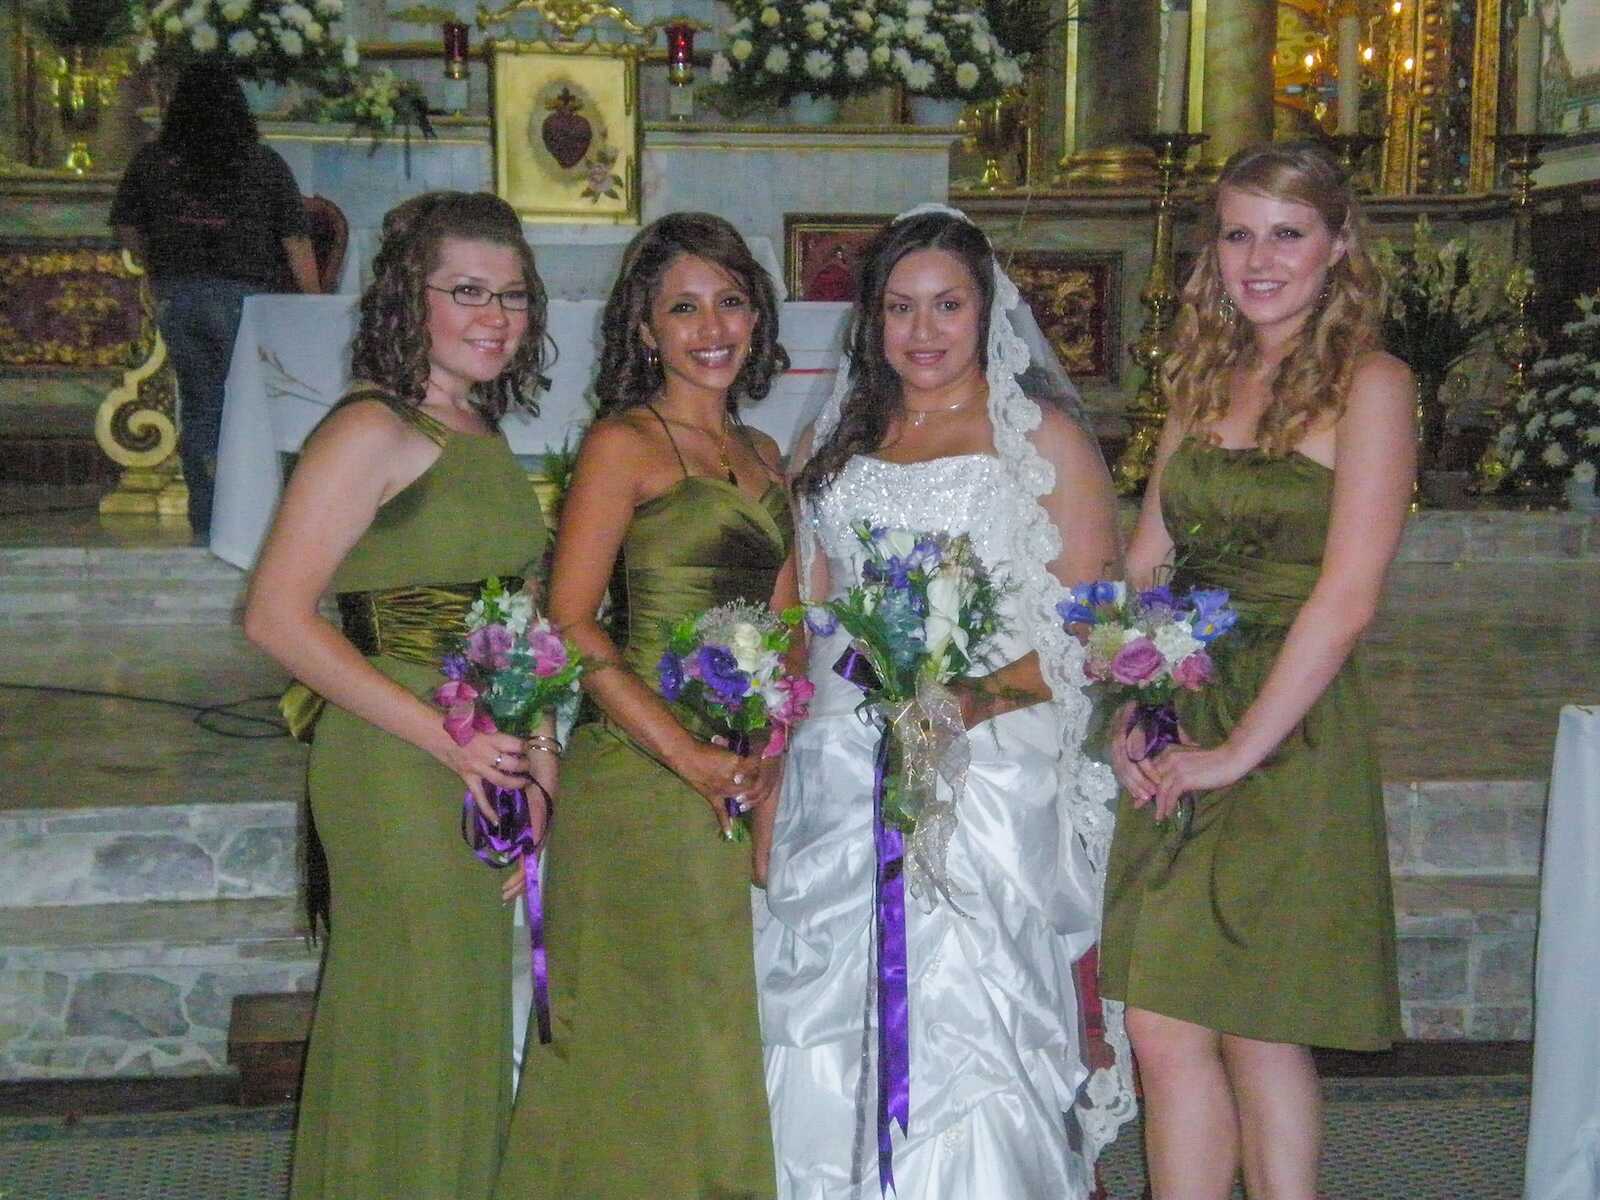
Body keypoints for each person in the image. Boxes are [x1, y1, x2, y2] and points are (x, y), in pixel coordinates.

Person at [757, 205, 1135, 1199]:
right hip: (843, 754)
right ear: (871, 320)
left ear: (987, 311)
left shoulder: (1040, 439)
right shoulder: (835, 441)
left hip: (989, 752)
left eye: (946, 306)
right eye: (899, 308)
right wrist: (780, 746)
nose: (921, 331)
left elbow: (1096, 625)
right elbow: (805, 613)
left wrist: (965, 702)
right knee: (828, 1009)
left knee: (968, 1010)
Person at [1098, 141, 1413, 1200]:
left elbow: (1346, 597)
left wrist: (1234, 753)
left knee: (1259, 1022)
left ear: (1337, 245)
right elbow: (1147, 562)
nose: (1260, 259)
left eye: (1287, 233)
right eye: (1238, 234)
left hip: (1286, 726)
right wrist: (1133, 706)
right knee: (1164, 1021)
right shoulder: (1198, 376)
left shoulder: (1373, 385)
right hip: (1184, 705)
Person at [243, 191, 554, 1200]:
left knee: (457, 1023)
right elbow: (275, 617)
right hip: (395, 762)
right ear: (408, 298)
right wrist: (445, 739)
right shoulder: (370, 429)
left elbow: (522, 622)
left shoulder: (477, 427)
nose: (495, 316)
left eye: (512, 294)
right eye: (467, 291)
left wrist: (540, 765)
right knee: (410, 1023)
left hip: (481, 757)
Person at [492, 212, 792, 1200]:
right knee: (628, 1036)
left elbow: (786, 634)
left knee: (708, 1027)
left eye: (730, 302)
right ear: (645, 328)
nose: (712, 328)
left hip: (734, 771)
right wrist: (687, 757)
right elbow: (572, 622)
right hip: (638, 767)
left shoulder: (765, 454)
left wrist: (766, 767)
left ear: (757, 316)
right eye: (684, 308)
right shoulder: (625, 443)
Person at [112, 61, 321, 538]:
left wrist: (153, 259)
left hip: (178, 295)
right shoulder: (262, 163)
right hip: (244, 299)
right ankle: (250, 519)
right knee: (249, 407)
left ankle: (206, 517)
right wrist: (312, 303)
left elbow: (125, 225)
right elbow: (295, 238)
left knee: (201, 405)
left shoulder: (153, 162)